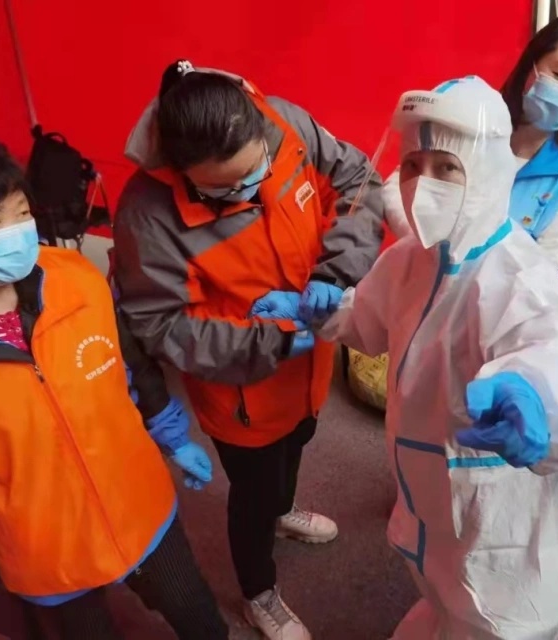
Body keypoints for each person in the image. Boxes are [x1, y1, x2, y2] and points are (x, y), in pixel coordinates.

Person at [314, 76, 558, 639]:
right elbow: (371, 322)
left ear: (487, 170)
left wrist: (537, 398)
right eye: (413, 165)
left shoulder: (518, 272)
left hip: (490, 496)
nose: (424, 183)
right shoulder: (413, 258)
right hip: (423, 478)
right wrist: (326, 310)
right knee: (437, 578)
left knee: (499, 613)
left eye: (447, 167)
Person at [113, 60, 384, 640]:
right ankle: (258, 591)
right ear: (181, 171)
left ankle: (283, 511)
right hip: (242, 390)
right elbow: (161, 325)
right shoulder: (146, 213)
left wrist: (336, 271)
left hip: (309, 366)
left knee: (300, 442)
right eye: (226, 188)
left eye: (256, 170)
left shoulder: (284, 122)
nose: (252, 189)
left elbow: (360, 180)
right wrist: (273, 340)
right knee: (253, 492)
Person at [0, 134, 229, 639]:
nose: (17, 233)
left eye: (21, 213)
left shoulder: (75, 278)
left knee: (200, 619)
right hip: (44, 546)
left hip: (137, 501)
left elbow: (129, 361)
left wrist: (172, 434)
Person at [382, 13, 558, 266]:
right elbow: (399, 183)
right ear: (531, 65)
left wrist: (470, 267)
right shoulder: (475, 118)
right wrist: (425, 241)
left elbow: (552, 262)